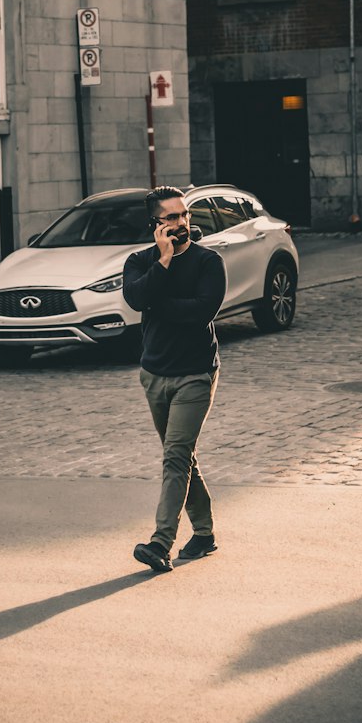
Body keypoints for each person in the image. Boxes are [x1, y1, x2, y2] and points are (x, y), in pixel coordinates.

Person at [122, 185, 227, 573]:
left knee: (174, 457)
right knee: (181, 457)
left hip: (196, 374)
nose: (182, 222)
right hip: (154, 374)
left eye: (184, 214)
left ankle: (160, 543)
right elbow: (135, 298)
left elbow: (202, 311)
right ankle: (204, 533)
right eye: (172, 217)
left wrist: (158, 301)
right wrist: (163, 263)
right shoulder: (140, 261)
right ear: (156, 224)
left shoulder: (207, 262)